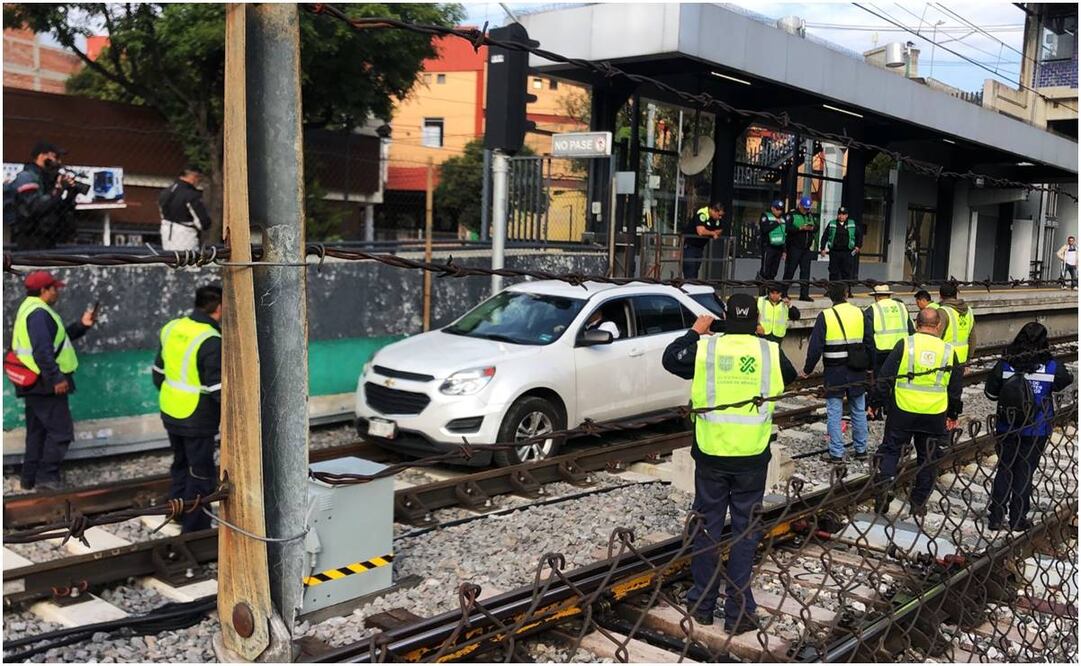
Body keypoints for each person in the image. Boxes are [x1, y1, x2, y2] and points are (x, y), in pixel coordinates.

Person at [662, 294, 798, 632]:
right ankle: (738, 613)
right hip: (752, 457)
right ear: (756, 321)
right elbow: (791, 376)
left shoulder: (707, 349)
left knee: (707, 527)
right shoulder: (769, 351)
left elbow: (671, 359)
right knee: (745, 531)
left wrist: (695, 331)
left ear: (723, 318)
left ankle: (702, 605)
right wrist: (763, 337)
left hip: (711, 455)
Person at [10, 271, 96, 490]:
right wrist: (57, 378)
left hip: (35, 382)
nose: (57, 292)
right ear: (43, 291)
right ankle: (47, 479)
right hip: (46, 383)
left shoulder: (30, 308)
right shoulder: (39, 313)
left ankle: (29, 478)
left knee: (37, 432)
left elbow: (57, 341)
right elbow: (42, 351)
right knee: (61, 433)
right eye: (54, 288)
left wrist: (82, 325)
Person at [873, 307, 963, 517]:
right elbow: (955, 388)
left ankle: (886, 486)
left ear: (916, 323)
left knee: (891, 449)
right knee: (928, 456)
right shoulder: (949, 351)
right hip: (934, 413)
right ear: (939, 325)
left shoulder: (905, 344)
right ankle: (918, 502)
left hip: (903, 409)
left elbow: (885, 376)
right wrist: (952, 414)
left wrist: (877, 402)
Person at [983, 323, 1072, 530]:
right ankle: (1018, 518)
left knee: (1005, 468)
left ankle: (996, 516)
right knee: (1025, 471)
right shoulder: (1050, 365)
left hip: (1008, 425)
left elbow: (991, 392)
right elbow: (1065, 380)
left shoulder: (1006, 364)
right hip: (1036, 428)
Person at [152, 285, 223, 532]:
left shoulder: (172, 327)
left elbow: (158, 373)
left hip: (170, 411)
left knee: (181, 465)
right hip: (197, 417)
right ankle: (195, 529)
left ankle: (178, 512)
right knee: (201, 473)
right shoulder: (211, 340)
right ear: (220, 308)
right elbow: (218, 390)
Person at [803, 282, 873, 463]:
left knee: (834, 411)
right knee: (858, 409)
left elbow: (815, 347)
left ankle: (836, 453)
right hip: (857, 368)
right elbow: (869, 341)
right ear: (846, 294)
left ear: (830, 296)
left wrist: (807, 369)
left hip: (835, 370)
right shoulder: (859, 312)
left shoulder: (825, 316)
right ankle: (861, 449)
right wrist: (871, 366)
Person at [7, 141, 79, 250]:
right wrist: (58, 190)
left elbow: (59, 209)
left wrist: (71, 194)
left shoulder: (49, 179)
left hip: (50, 238)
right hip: (30, 239)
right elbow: (34, 207)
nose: (59, 161)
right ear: (42, 156)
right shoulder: (26, 177)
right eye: (56, 157)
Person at [864, 284, 915, 420]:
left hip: (881, 351)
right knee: (898, 380)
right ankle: (892, 408)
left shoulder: (871, 310)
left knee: (881, 381)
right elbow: (911, 329)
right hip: (902, 349)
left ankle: (877, 410)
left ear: (876, 297)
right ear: (889, 295)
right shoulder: (901, 307)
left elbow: (868, 337)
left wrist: (869, 360)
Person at [159, 166, 212, 251]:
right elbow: (203, 222)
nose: (198, 181)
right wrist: (206, 223)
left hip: (166, 233)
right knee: (188, 260)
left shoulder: (165, 192)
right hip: (186, 235)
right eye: (198, 178)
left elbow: (162, 213)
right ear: (193, 176)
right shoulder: (191, 194)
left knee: (170, 260)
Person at [781, 196, 818, 302]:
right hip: (794, 247)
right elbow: (786, 228)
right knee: (790, 271)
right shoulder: (792, 215)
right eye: (804, 208)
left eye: (808, 208)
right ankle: (783, 293)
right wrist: (800, 228)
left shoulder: (810, 216)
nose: (806, 210)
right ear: (800, 205)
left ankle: (804, 294)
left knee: (805, 272)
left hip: (806, 249)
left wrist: (812, 228)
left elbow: (816, 226)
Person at [928, 283, 975, 363]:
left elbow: (936, 337)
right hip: (962, 359)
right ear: (956, 294)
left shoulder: (943, 312)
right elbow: (972, 337)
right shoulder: (969, 311)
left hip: (945, 359)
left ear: (940, 296)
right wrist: (969, 357)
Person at [682, 202, 726, 279]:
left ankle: (693, 288)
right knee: (690, 272)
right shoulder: (702, 213)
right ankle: (689, 288)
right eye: (719, 215)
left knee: (695, 271)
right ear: (713, 211)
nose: (720, 217)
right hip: (689, 246)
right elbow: (701, 231)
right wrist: (712, 233)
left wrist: (709, 232)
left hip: (699, 248)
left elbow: (720, 230)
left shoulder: (716, 219)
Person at [820, 206, 862, 283]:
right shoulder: (832, 223)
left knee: (847, 272)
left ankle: (846, 291)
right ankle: (833, 291)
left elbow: (859, 235)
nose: (841, 216)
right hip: (834, 252)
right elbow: (825, 236)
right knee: (833, 272)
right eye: (840, 214)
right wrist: (822, 248)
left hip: (847, 252)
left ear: (847, 215)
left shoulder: (852, 224)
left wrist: (858, 246)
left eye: (843, 214)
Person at [758, 199, 786, 286]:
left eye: (781, 209)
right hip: (768, 247)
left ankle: (770, 287)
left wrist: (784, 250)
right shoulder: (766, 216)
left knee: (774, 271)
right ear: (772, 208)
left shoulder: (783, 219)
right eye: (777, 209)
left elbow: (784, 235)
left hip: (779, 248)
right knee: (766, 269)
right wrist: (776, 223)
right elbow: (764, 229)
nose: (779, 211)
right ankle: (762, 286)